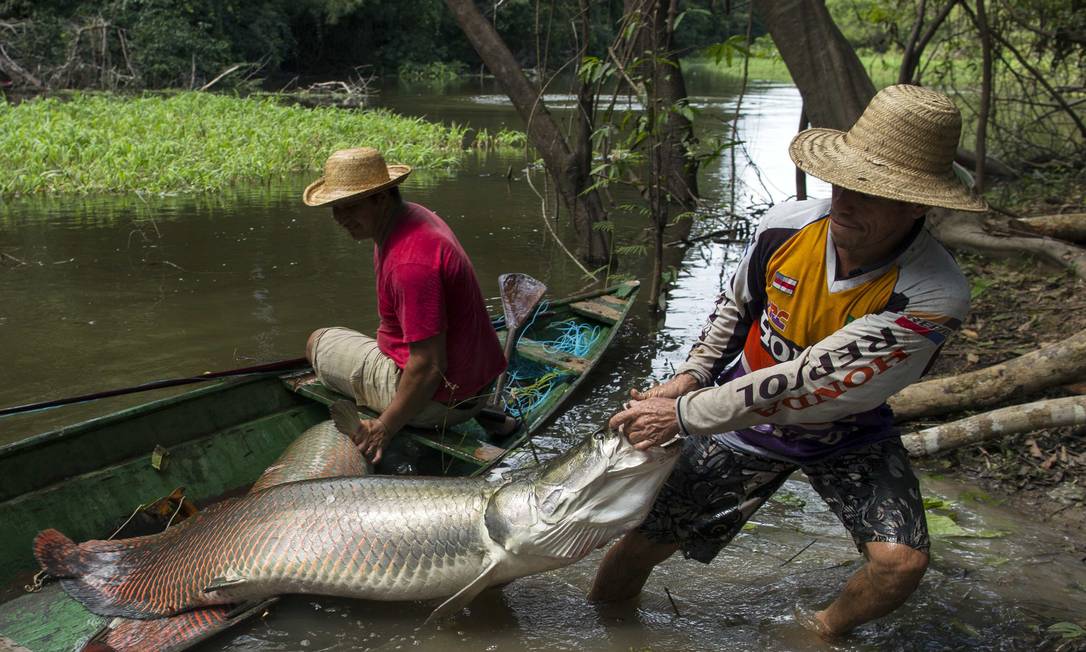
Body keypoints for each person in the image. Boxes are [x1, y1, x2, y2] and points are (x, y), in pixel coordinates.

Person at [591, 84, 989, 638]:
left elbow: (806, 381)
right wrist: (688, 377)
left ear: (917, 204)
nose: (847, 201)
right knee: (643, 545)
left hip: (845, 430)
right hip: (738, 421)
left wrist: (681, 415)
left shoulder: (930, 294)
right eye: (844, 183)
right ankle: (609, 630)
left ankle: (818, 630)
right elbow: (736, 308)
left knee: (901, 564)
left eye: (872, 192)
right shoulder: (789, 225)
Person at [302, 147, 508, 464]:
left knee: (318, 341)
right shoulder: (415, 215)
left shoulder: (409, 264)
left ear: (381, 198)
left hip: (439, 403)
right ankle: (488, 416)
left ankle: (417, 413)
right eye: (334, 208)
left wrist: (384, 427)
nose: (339, 218)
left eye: (348, 207)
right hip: (476, 389)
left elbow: (428, 365)